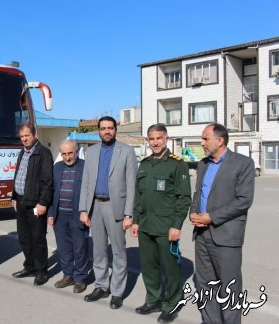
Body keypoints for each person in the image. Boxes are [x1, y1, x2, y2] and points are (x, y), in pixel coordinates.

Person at [189, 123, 255, 324]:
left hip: (226, 235)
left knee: (229, 286)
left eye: (205, 139)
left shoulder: (243, 163)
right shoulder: (203, 164)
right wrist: (194, 212)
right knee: (206, 284)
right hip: (201, 234)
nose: (202, 143)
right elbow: (198, 193)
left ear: (220, 140)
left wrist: (211, 217)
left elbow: (244, 200)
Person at [130, 124, 191, 323]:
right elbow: (139, 196)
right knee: (148, 266)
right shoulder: (145, 164)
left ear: (166, 139)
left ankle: (172, 303)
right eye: (152, 139)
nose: (155, 142)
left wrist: (177, 225)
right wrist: (136, 221)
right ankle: (153, 299)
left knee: (170, 266)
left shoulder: (177, 164)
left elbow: (183, 198)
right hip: (146, 225)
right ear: (148, 141)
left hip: (166, 227)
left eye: (159, 138)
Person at [79, 116, 137, 309]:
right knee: (99, 250)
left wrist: (129, 214)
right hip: (95, 206)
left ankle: (117, 292)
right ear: (98, 130)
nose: (107, 131)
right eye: (103, 128)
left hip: (116, 207)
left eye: (110, 128)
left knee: (119, 251)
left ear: (115, 130)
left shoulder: (127, 151)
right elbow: (86, 182)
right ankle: (102, 286)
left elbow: (131, 185)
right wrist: (83, 209)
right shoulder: (91, 151)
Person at [11, 123, 53, 286]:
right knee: (24, 238)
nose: (24, 139)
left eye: (27, 135)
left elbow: (47, 181)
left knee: (38, 239)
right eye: (22, 136)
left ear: (35, 134)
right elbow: (18, 175)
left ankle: (41, 271)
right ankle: (30, 266)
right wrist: (14, 196)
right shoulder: (23, 152)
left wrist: (43, 203)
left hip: (36, 204)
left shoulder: (43, 153)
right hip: (21, 202)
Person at [48, 139, 88, 293]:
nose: (67, 157)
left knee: (80, 248)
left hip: (78, 214)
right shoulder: (56, 167)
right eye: (64, 154)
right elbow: (51, 191)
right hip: (60, 215)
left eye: (70, 153)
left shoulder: (85, 167)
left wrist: (87, 212)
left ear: (76, 152)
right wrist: (51, 213)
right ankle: (68, 275)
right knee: (63, 248)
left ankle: (80, 278)